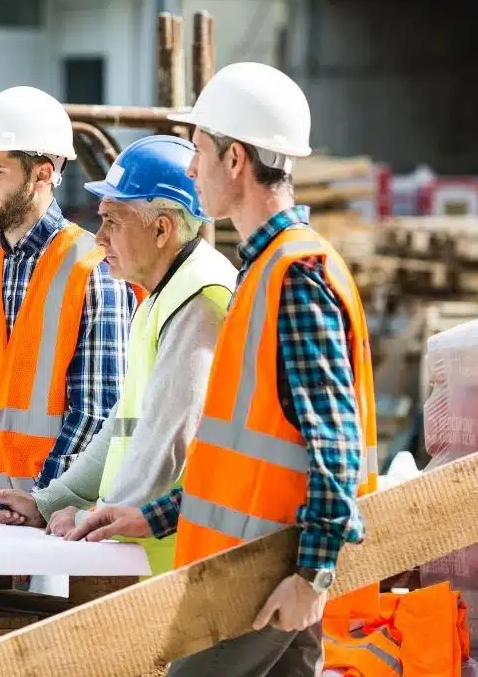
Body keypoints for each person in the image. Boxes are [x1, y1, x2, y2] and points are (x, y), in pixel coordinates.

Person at [69, 62, 379, 676]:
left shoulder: (295, 276)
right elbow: (243, 459)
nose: (191, 169)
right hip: (253, 569)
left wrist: (312, 575)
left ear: (235, 160)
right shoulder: (267, 273)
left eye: (201, 152)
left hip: (262, 577)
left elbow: (335, 443)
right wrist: (149, 515)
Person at [0, 135, 237, 578]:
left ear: (161, 229)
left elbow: (166, 446)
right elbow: (122, 429)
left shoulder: (200, 299)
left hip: (183, 567)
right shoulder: (162, 296)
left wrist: (93, 518)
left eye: (113, 222)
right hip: (154, 559)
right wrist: (51, 503)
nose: (98, 239)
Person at [0, 85, 138, 522]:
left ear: (43, 173)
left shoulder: (93, 267)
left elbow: (97, 411)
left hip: (49, 524)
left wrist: (44, 501)